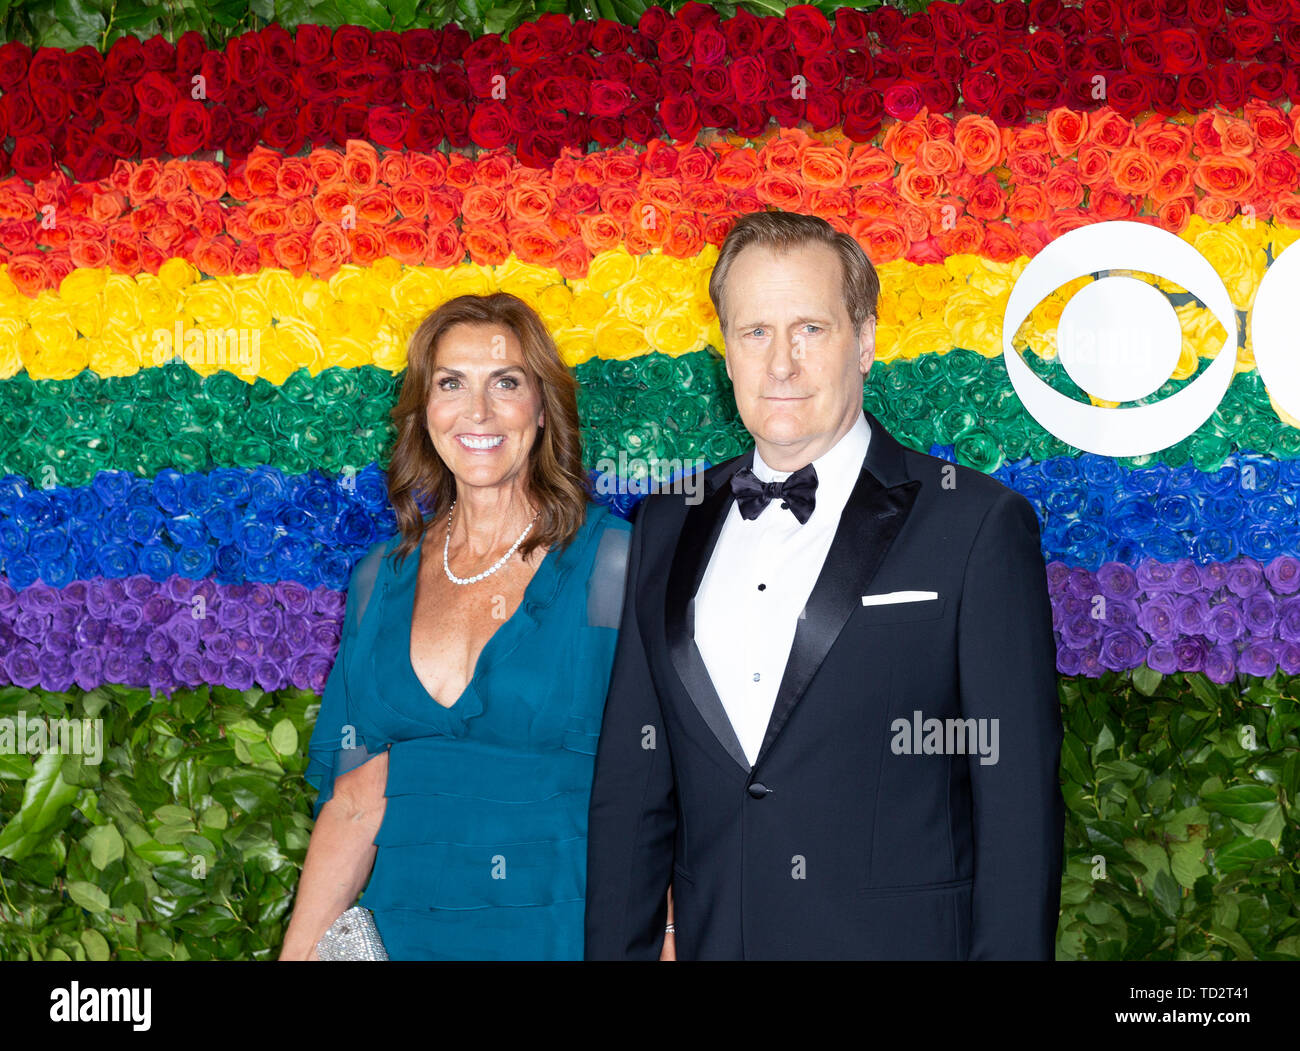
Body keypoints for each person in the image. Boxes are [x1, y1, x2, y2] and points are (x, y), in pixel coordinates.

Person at [585, 210, 1065, 960]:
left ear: (865, 340)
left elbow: (1018, 806)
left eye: (809, 329)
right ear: (726, 352)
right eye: (755, 333)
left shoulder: (976, 524)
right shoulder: (664, 524)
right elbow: (631, 789)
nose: (781, 363)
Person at [280, 292, 632, 960]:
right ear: (425, 409)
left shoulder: (612, 561)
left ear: (541, 407)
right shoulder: (379, 579)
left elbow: (664, 785)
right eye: (451, 384)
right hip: (404, 935)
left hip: (568, 933)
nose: (478, 412)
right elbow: (354, 805)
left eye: (506, 382)